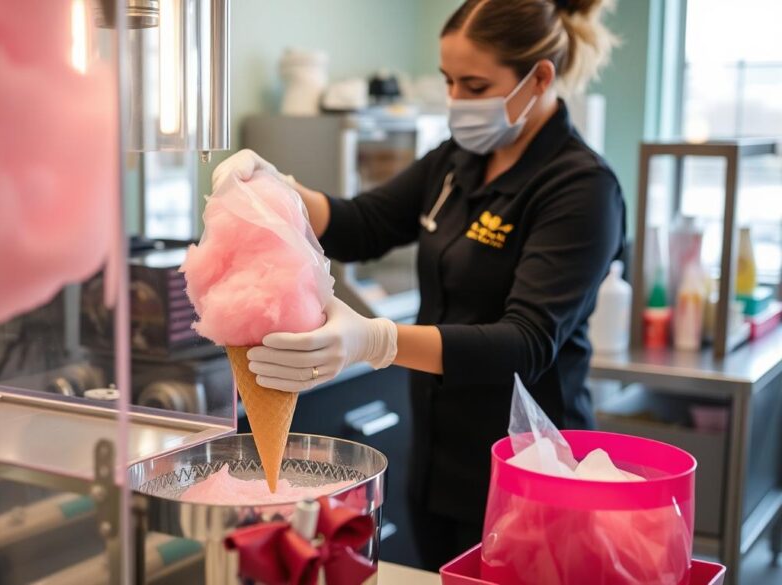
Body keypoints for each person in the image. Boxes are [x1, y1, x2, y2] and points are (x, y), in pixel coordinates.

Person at [212, 0, 624, 571]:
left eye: (475, 84)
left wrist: (378, 341)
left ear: (541, 77)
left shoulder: (581, 189)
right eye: (449, 81)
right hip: (437, 463)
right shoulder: (457, 163)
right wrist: (281, 191)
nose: (457, 100)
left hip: (528, 471)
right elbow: (364, 223)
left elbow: (525, 343)